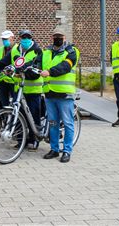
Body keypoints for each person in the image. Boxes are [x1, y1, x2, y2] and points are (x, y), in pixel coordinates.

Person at [0, 29, 43, 150]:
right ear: (20, 38)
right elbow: (4, 63)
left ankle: (34, 140)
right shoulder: (15, 50)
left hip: (33, 90)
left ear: (31, 38)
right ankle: (21, 139)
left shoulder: (38, 51)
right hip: (19, 89)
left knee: (33, 115)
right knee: (19, 114)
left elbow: (37, 69)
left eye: (28, 37)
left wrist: (24, 70)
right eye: (23, 37)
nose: (25, 39)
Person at [40, 28, 79, 163]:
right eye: (55, 36)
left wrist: (50, 72)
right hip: (50, 93)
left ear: (64, 37)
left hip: (64, 94)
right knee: (53, 123)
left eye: (60, 36)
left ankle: (67, 151)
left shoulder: (72, 51)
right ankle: (54, 149)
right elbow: (35, 63)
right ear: (52, 37)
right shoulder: (46, 52)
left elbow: (65, 66)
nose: (57, 38)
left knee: (68, 123)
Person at [0, 30, 16, 107]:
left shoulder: (17, 48)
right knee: (3, 105)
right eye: (3, 39)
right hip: (2, 80)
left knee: (15, 104)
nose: (4, 41)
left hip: (13, 81)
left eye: (6, 39)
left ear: (12, 38)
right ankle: (4, 118)